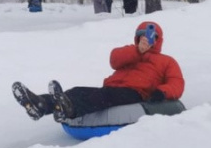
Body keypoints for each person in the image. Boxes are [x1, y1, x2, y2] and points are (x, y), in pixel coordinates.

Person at [11, 20, 184, 122]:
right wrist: (137, 51)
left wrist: (161, 93)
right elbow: (114, 59)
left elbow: (177, 83)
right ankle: (40, 104)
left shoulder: (166, 61)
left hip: (135, 93)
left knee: (101, 98)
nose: (146, 40)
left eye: (150, 37)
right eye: (142, 36)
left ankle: (69, 110)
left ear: (158, 40)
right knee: (77, 91)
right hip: (112, 88)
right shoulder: (131, 52)